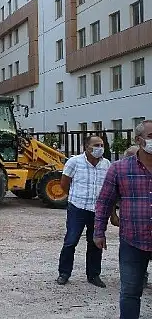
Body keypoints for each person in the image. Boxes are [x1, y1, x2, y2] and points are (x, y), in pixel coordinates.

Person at [94, 120, 152, 319]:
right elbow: (104, 201)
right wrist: (98, 232)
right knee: (130, 292)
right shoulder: (119, 169)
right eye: (151, 137)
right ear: (139, 140)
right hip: (132, 241)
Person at [56, 134, 110, 288]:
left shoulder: (106, 164)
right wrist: (75, 197)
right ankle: (64, 273)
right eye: (96, 145)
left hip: (98, 211)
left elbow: (108, 189)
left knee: (96, 243)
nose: (100, 148)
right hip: (77, 208)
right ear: (86, 147)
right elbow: (64, 184)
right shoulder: (74, 162)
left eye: (101, 145)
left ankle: (93, 275)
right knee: (71, 241)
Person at [108, 145, 149, 289]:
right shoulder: (120, 171)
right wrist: (113, 215)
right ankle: (140, 278)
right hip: (131, 232)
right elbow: (109, 198)